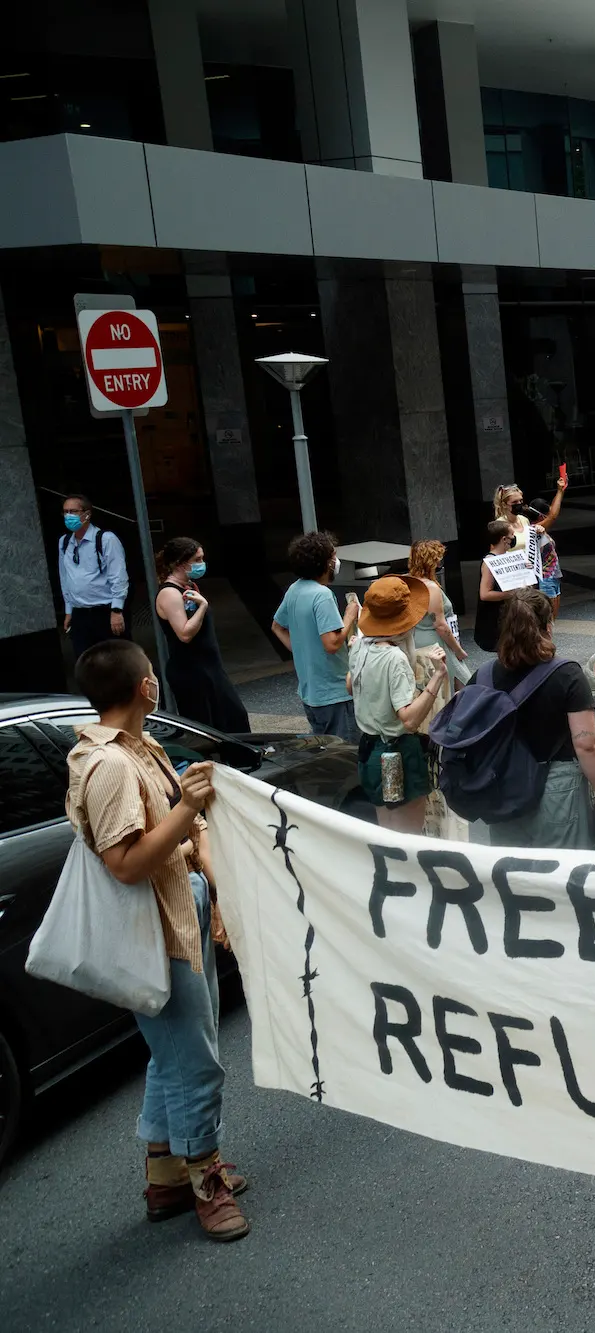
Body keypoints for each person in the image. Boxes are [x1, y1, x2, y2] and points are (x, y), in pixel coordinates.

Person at [65, 639, 248, 1241]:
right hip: (155, 925)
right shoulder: (110, 765)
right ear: (145, 687)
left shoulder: (140, 748)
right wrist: (188, 805)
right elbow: (124, 863)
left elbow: (190, 833)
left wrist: (216, 894)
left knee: (174, 1054)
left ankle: (165, 1175)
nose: (156, 680)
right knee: (196, 1061)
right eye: (151, 674)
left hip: (179, 907)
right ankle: (207, 1183)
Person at [480, 590, 595, 849]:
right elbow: (588, 745)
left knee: (515, 876)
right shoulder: (567, 675)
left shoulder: (483, 676)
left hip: (501, 790)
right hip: (556, 787)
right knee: (561, 875)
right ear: (548, 626)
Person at [347, 575, 442, 834]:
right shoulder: (394, 658)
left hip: (369, 748)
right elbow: (409, 719)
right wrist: (437, 676)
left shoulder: (359, 646)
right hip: (398, 751)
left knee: (387, 831)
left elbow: (349, 685)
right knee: (409, 838)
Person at [270, 531, 361, 742]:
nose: (336, 561)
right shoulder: (322, 595)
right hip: (335, 694)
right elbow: (332, 644)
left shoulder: (295, 589)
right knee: (344, 757)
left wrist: (302, 650)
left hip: (310, 693)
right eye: (333, 556)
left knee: (325, 756)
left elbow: (277, 626)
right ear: (324, 563)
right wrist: (349, 616)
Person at [152, 537, 249, 734]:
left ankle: (238, 761)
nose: (201, 564)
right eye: (197, 560)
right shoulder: (169, 593)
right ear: (180, 563)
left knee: (235, 718)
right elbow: (184, 633)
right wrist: (203, 606)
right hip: (191, 671)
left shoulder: (189, 587)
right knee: (205, 728)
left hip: (210, 667)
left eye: (201, 558)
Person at [58, 493, 129, 659]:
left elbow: (118, 576)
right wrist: (69, 610)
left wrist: (117, 610)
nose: (68, 516)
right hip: (80, 614)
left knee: (116, 661)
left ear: (87, 514)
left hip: (104, 611)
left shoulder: (105, 539)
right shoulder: (64, 542)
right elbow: (65, 577)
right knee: (86, 663)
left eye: (73, 511)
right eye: (65, 512)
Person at [407, 539, 472, 701]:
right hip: (436, 641)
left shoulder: (407, 582)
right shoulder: (431, 588)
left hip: (415, 640)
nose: (440, 562)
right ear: (431, 561)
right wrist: (458, 650)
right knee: (465, 684)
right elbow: (440, 625)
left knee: (433, 691)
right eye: (438, 559)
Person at [474, 519, 514, 653]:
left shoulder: (508, 556)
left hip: (508, 615)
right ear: (504, 539)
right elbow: (485, 594)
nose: (514, 538)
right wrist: (512, 594)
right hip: (496, 619)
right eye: (512, 535)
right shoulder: (490, 562)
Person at [520, 498, 563, 617]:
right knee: (547, 619)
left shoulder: (539, 529)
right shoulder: (533, 531)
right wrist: (560, 491)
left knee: (552, 619)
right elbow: (553, 516)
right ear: (541, 516)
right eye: (547, 514)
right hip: (545, 578)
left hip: (553, 576)